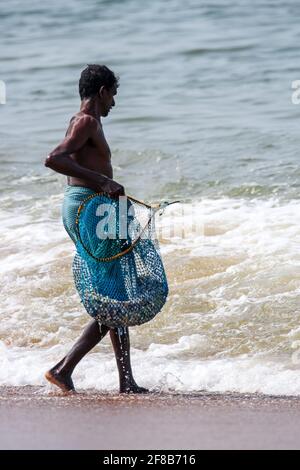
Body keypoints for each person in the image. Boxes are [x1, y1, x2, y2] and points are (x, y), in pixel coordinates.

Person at [44, 64, 148, 394]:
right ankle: (64, 368)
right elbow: (54, 158)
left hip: (87, 205)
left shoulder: (86, 122)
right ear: (102, 91)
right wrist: (103, 180)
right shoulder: (87, 121)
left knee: (113, 294)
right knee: (115, 298)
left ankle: (125, 381)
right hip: (89, 206)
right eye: (113, 95)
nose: (114, 103)